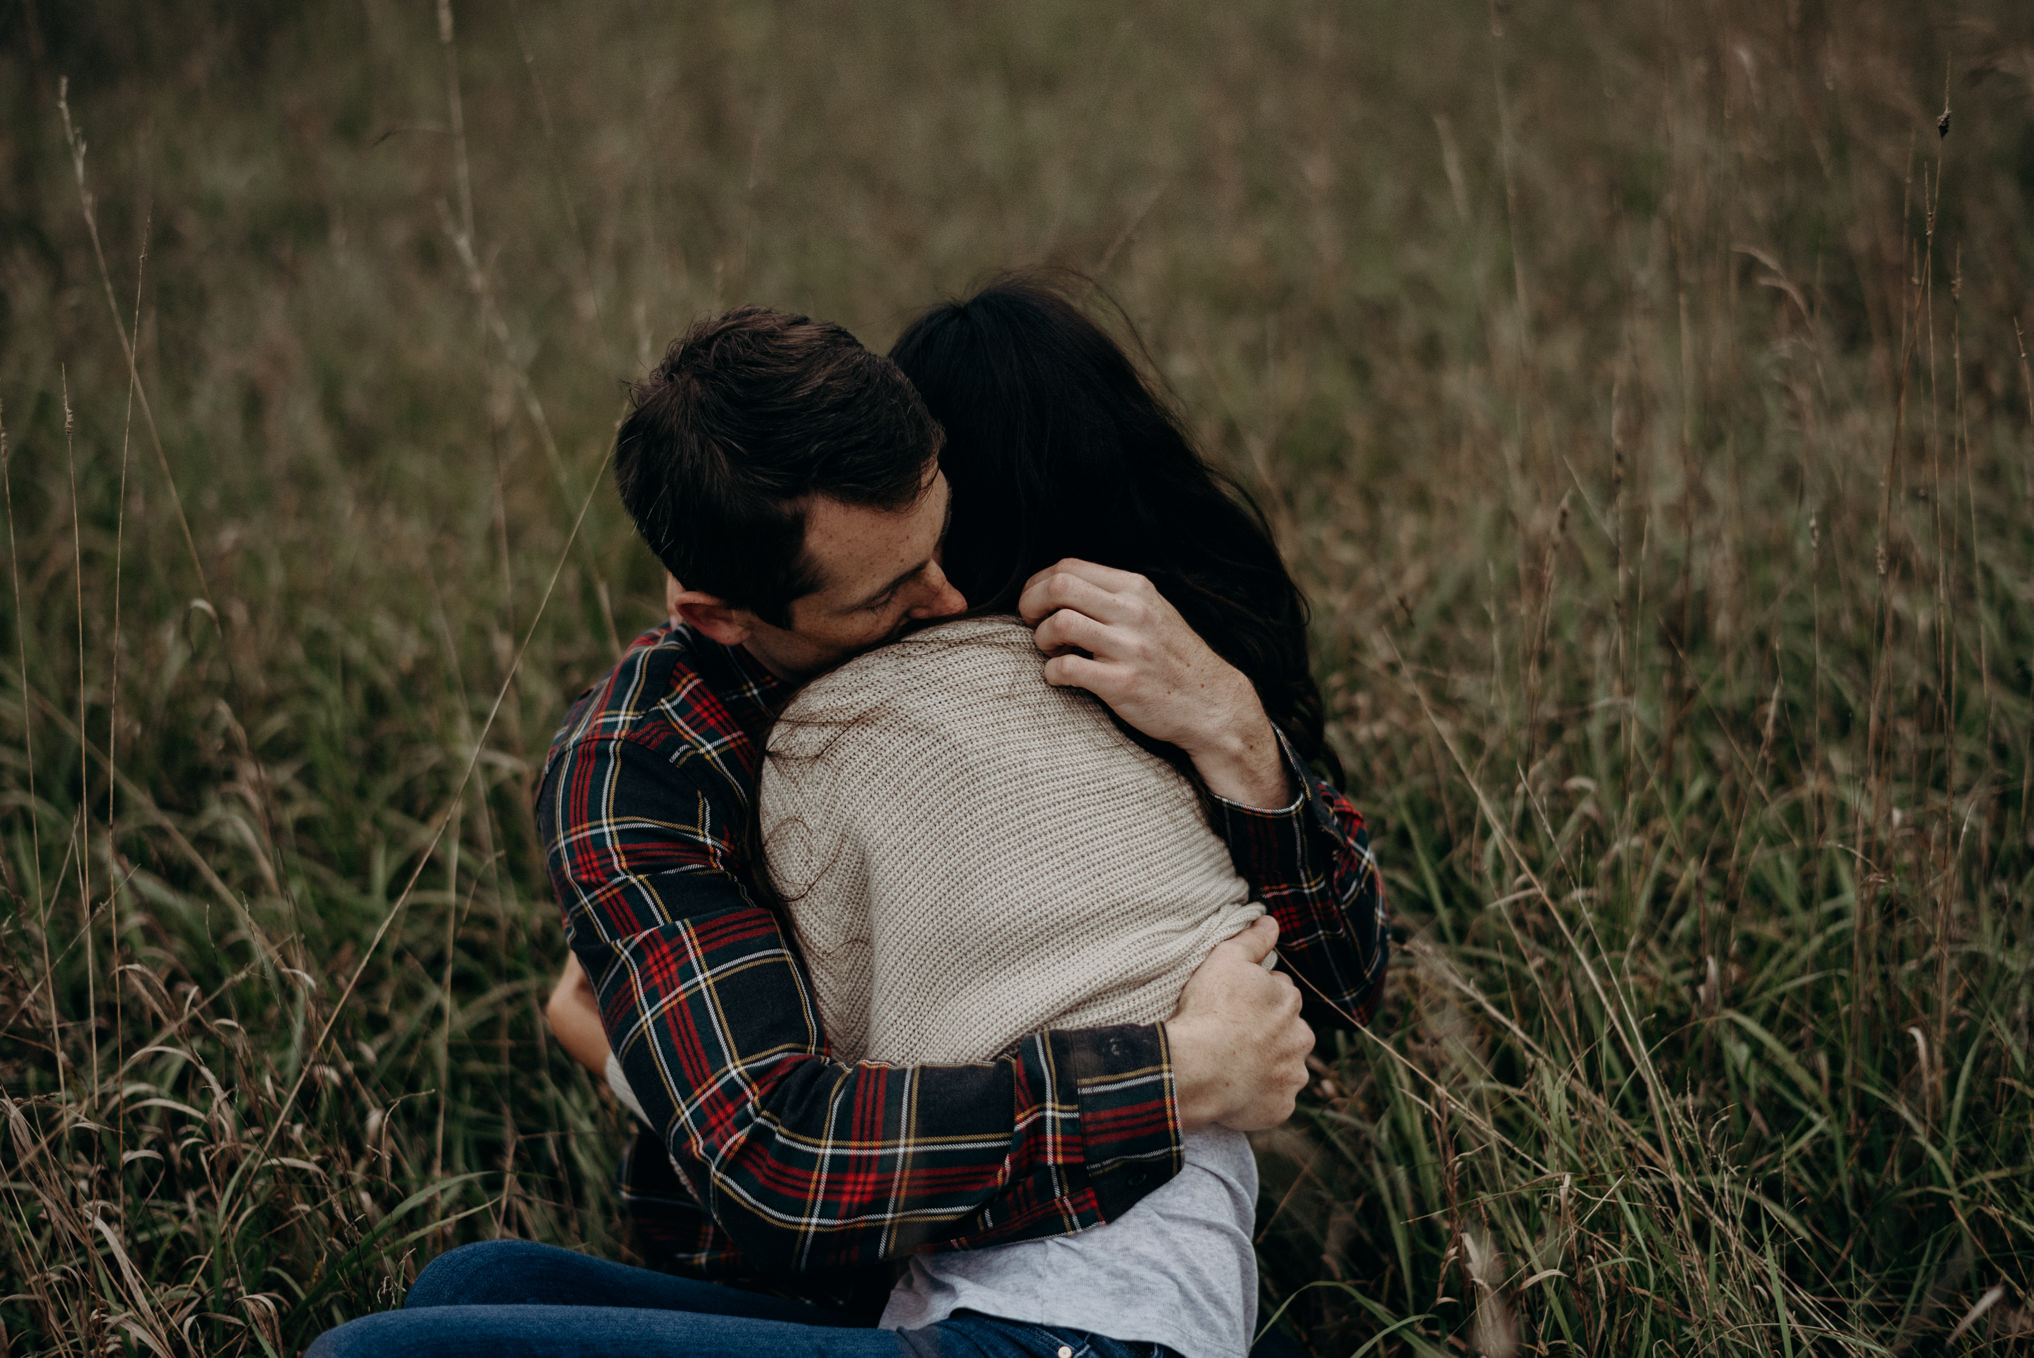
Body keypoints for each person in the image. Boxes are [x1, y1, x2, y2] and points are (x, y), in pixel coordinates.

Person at [307, 286, 1384, 1357]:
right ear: (717, 614)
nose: (953, 603)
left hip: (1076, 1294)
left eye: (942, 539)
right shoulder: (644, 767)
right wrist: (1177, 1073)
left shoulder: (1031, 634)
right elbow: (779, 1159)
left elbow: (1333, 993)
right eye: (887, 594)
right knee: (478, 1280)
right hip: (864, 1275)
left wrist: (1238, 735)